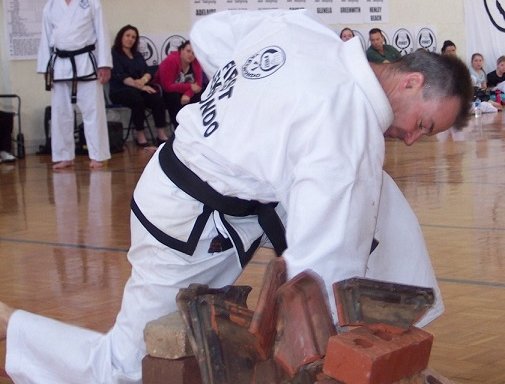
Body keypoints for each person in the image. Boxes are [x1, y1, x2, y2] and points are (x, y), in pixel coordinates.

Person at [0, 9, 473, 384]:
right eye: (424, 125)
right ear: (411, 82)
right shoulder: (345, 129)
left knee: (381, 197)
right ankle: (12, 328)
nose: (412, 139)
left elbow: (208, 33)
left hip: (215, 195)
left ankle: (399, 320)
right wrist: (335, 351)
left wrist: (246, 111)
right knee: (122, 369)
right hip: (184, 224)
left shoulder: (302, 30)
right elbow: (319, 265)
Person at [37, 0, 112, 170]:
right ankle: (64, 156)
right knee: (60, 112)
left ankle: (98, 155)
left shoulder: (91, 3)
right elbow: (46, 36)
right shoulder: (51, 5)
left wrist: (104, 64)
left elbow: (102, 32)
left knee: (93, 112)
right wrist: (45, 67)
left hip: (86, 62)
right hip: (60, 65)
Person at [109, 25, 169, 147]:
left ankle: (161, 134)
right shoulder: (114, 53)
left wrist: (144, 79)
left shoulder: (137, 55)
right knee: (137, 99)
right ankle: (140, 134)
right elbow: (122, 77)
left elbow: (146, 71)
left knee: (156, 98)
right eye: (127, 36)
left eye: (133, 37)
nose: (130, 39)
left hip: (139, 88)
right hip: (120, 90)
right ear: (121, 37)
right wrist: (141, 86)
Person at [153, 41, 203, 129]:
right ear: (181, 50)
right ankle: (179, 128)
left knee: (199, 94)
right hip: (164, 92)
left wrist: (188, 93)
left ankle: (196, 127)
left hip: (183, 92)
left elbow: (198, 85)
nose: (191, 55)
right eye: (188, 51)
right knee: (173, 96)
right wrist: (190, 86)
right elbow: (167, 87)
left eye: (194, 53)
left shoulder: (196, 62)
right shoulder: (171, 61)